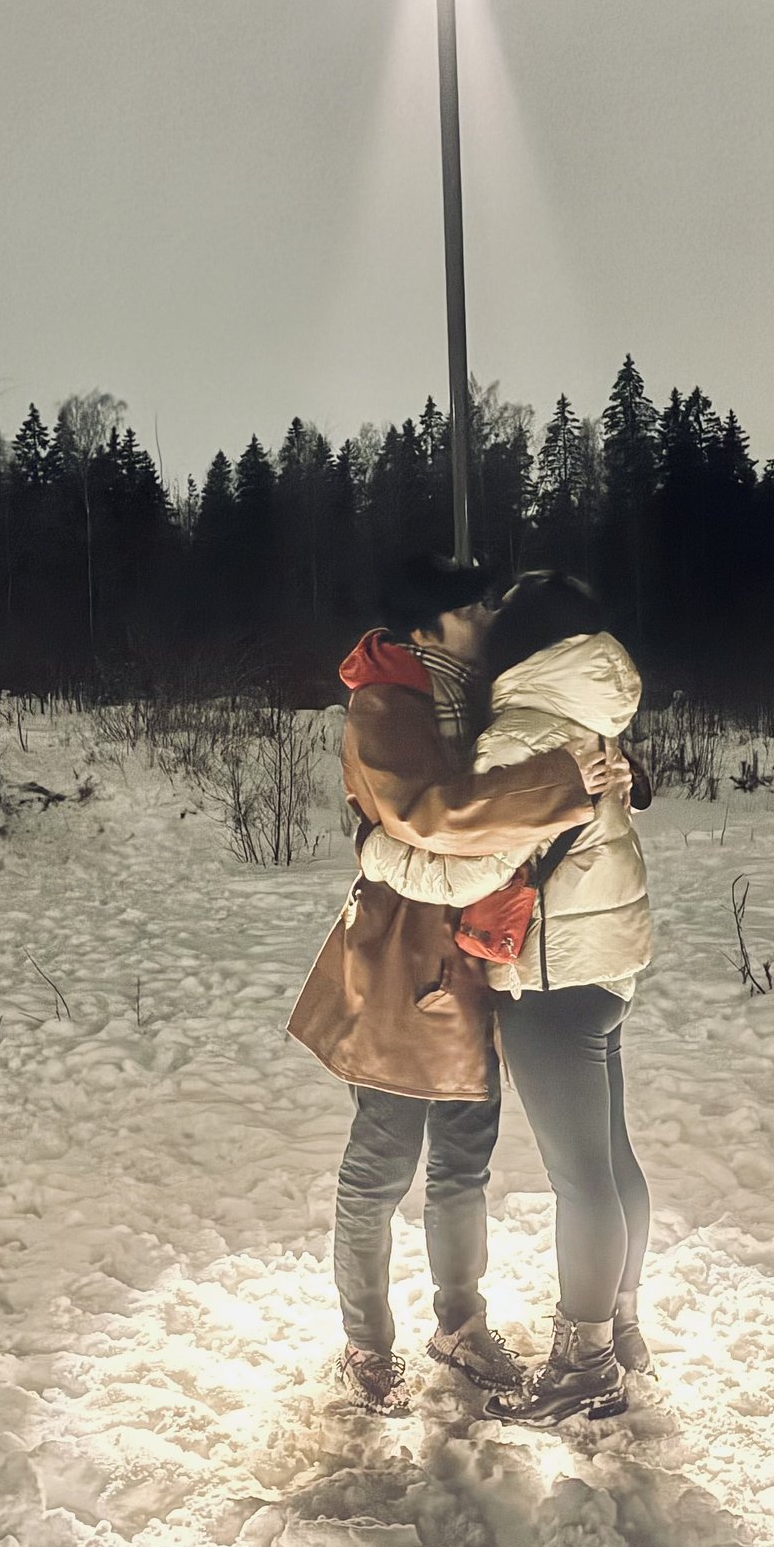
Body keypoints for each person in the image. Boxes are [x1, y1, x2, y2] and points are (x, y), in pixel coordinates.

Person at [288, 554, 628, 1416]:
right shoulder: (388, 703)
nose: (490, 613)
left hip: (477, 959)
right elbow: (430, 815)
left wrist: (615, 775)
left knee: (464, 1161)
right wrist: (562, 783)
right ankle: (366, 1343)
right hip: (402, 963)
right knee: (380, 1164)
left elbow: (532, 763)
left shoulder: (483, 698)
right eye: (474, 604)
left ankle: (459, 1323)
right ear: (429, 626)